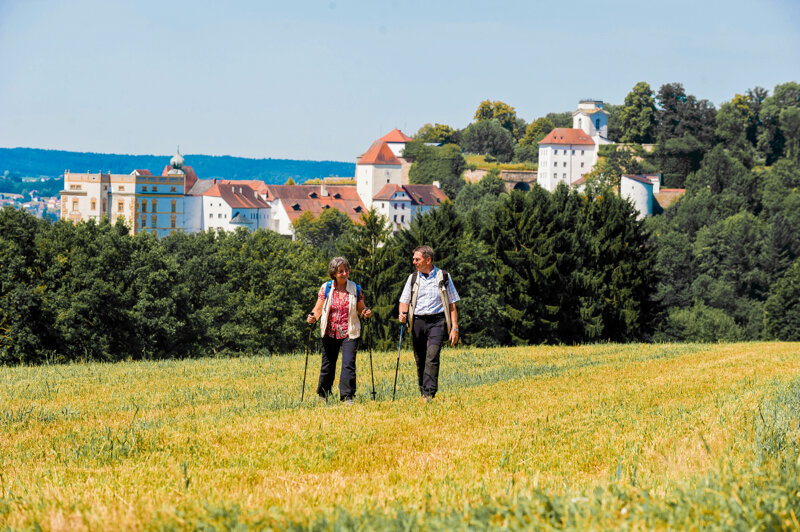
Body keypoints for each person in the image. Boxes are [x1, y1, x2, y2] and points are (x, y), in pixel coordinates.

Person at [398, 245, 459, 402]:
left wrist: (454, 328)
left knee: (432, 357)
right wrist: (402, 314)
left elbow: (452, 303)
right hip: (417, 322)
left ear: (428, 260)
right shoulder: (413, 278)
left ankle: (429, 394)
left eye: (417, 259)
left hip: (437, 322)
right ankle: (423, 390)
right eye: (413, 259)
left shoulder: (443, 276)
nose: (414, 262)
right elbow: (404, 301)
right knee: (420, 359)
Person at [307, 257, 371, 403]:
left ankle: (347, 397)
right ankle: (323, 395)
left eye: (346, 270)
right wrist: (312, 317)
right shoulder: (326, 288)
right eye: (341, 271)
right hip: (330, 332)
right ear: (334, 273)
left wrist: (366, 313)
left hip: (349, 331)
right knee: (327, 365)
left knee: (348, 364)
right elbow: (318, 309)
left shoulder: (355, 288)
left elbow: (361, 309)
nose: (344, 273)